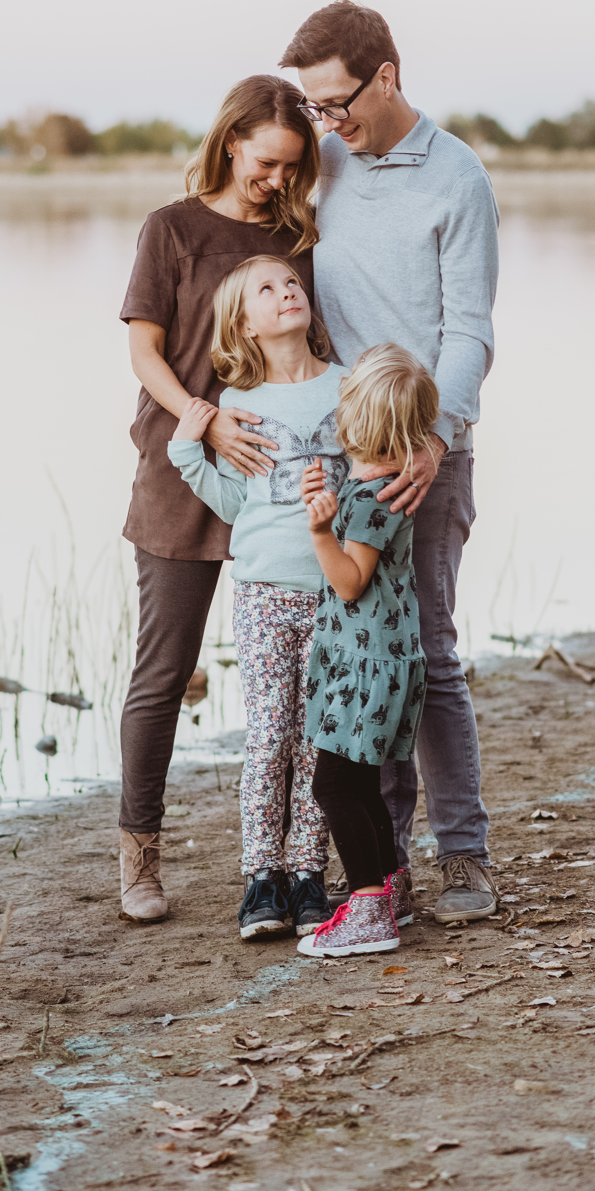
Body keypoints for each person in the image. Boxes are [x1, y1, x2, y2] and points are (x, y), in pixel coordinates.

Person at [280, 0, 500, 925]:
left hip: (428, 449)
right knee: (359, 651)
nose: (328, 124)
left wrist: (435, 438)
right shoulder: (323, 164)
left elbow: (470, 332)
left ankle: (464, 860)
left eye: (338, 104)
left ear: (388, 76)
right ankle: (384, 863)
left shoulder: (458, 180)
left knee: (429, 655)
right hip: (344, 449)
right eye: (315, 109)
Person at [117, 75, 320, 923]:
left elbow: (313, 352)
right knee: (163, 673)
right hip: (182, 472)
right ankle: (140, 858)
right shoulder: (172, 229)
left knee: (303, 690)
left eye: (292, 167)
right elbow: (145, 353)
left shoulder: (294, 237)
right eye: (269, 161)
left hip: (278, 489)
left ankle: (304, 862)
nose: (278, 179)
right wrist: (202, 424)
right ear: (233, 138)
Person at [167, 255, 345, 941]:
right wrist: (190, 451)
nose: (285, 294)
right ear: (243, 323)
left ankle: (308, 874)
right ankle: (261, 876)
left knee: (319, 743)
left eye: (292, 283)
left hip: (337, 597)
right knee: (270, 736)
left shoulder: (348, 386)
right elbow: (235, 499)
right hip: (264, 594)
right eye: (266, 291)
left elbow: (369, 470)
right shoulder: (244, 407)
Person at [296, 344, 439, 957]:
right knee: (361, 783)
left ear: (357, 423)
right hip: (379, 661)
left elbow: (350, 581)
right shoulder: (377, 488)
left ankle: (366, 909)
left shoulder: (370, 501)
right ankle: (388, 890)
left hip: (365, 668)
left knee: (334, 786)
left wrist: (319, 531)